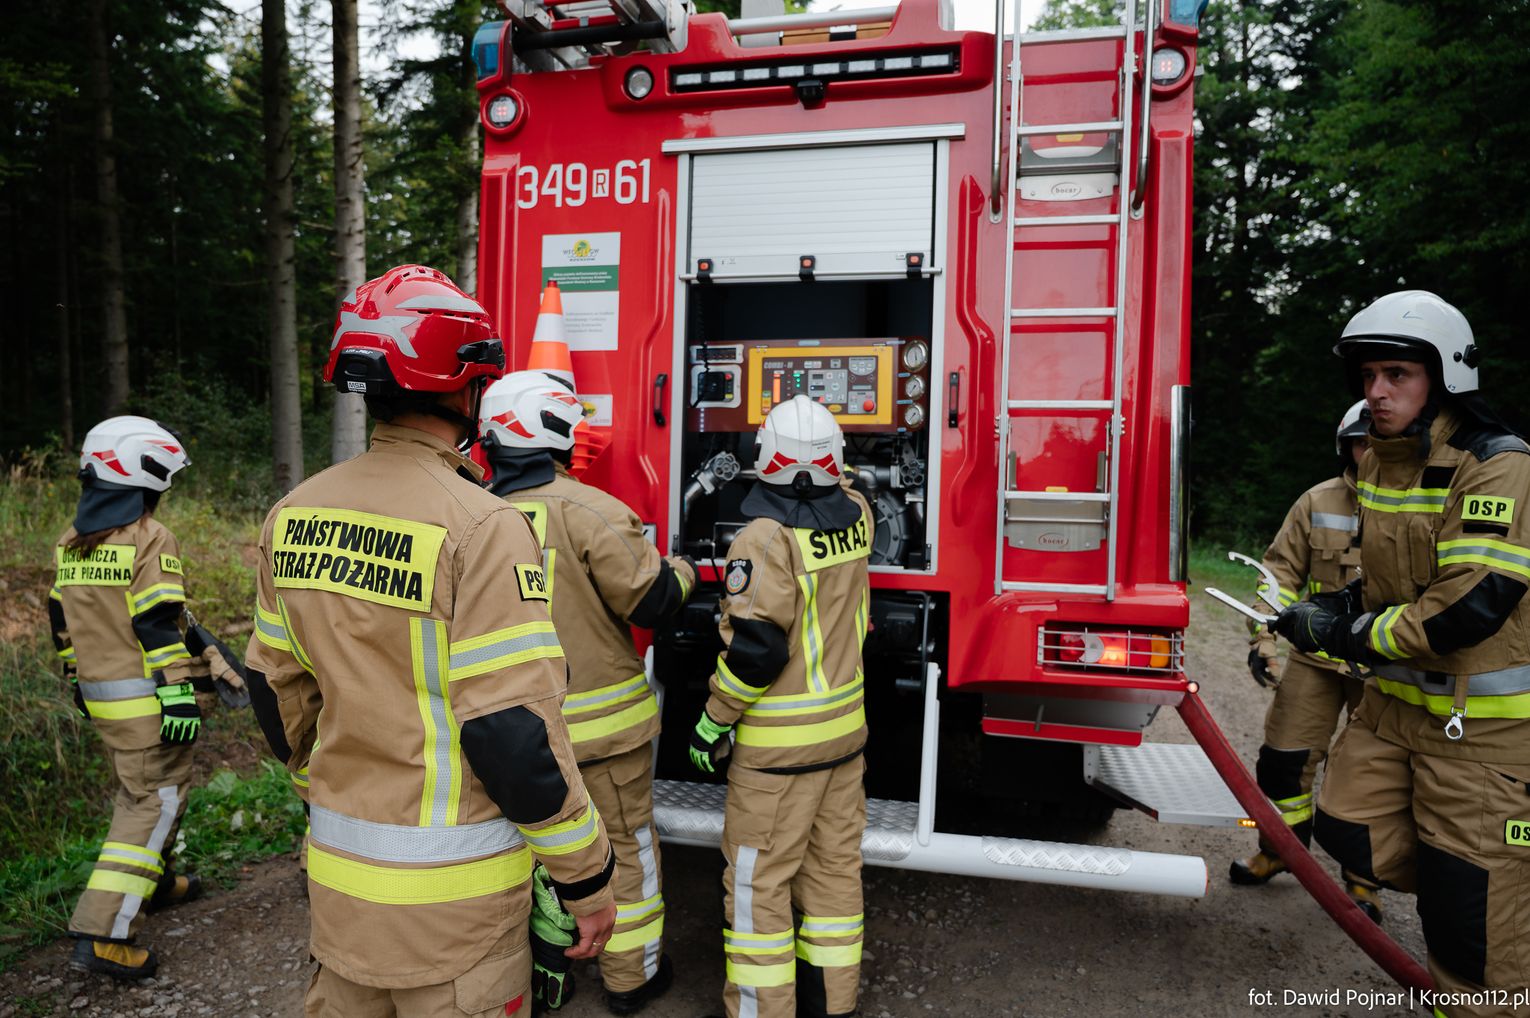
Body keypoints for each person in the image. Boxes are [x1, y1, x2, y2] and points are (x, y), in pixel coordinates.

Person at [244, 264, 615, 1018]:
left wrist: (324, 788)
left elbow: (270, 688)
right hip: (457, 910)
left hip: (340, 885)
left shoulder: (294, 513)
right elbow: (511, 732)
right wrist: (586, 875)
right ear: (468, 387)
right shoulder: (483, 526)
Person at [1274, 290, 1530, 1015]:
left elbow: (1470, 603)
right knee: (1346, 827)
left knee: (1470, 924)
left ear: (1445, 377)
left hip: (1479, 735)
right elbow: (1397, 579)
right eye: (1367, 377)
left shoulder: (1498, 463)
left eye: (1397, 375)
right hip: (1394, 714)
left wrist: (1348, 635)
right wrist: (1340, 604)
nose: (1376, 393)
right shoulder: (1386, 465)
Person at [477, 369, 696, 1014]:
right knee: (624, 852)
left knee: (525, 856)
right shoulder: (590, 510)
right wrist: (684, 568)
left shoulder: (469, 514)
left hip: (503, 736)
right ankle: (633, 979)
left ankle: (544, 974)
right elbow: (652, 600)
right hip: (601, 736)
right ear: (558, 433)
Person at [689, 395, 874, 1018]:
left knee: (757, 887)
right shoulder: (858, 515)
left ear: (764, 457)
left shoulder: (762, 537)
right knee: (833, 875)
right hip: (843, 742)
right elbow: (838, 490)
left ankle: (759, 1010)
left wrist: (712, 722)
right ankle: (833, 1004)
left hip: (776, 754)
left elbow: (757, 651)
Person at [51, 416, 206, 979]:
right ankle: (103, 935)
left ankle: (153, 884)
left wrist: (77, 680)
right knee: (152, 805)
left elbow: (62, 625)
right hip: (149, 708)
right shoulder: (148, 538)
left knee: (145, 793)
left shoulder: (70, 543)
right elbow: (157, 624)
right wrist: (180, 693)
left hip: (105, 706)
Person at [1231, 401, 1378, 919]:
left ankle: (1363, 883)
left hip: (1381, 665)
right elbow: (1278, 577)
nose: (1370, 451)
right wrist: (1263, 642)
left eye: (1379, 441)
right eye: (1361, 442)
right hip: (1317, 657)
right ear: (1346, 447)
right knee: (1283, 759)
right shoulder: (1316, 501)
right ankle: (1280, 852)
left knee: (1368, 775)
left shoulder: (1425, 507)